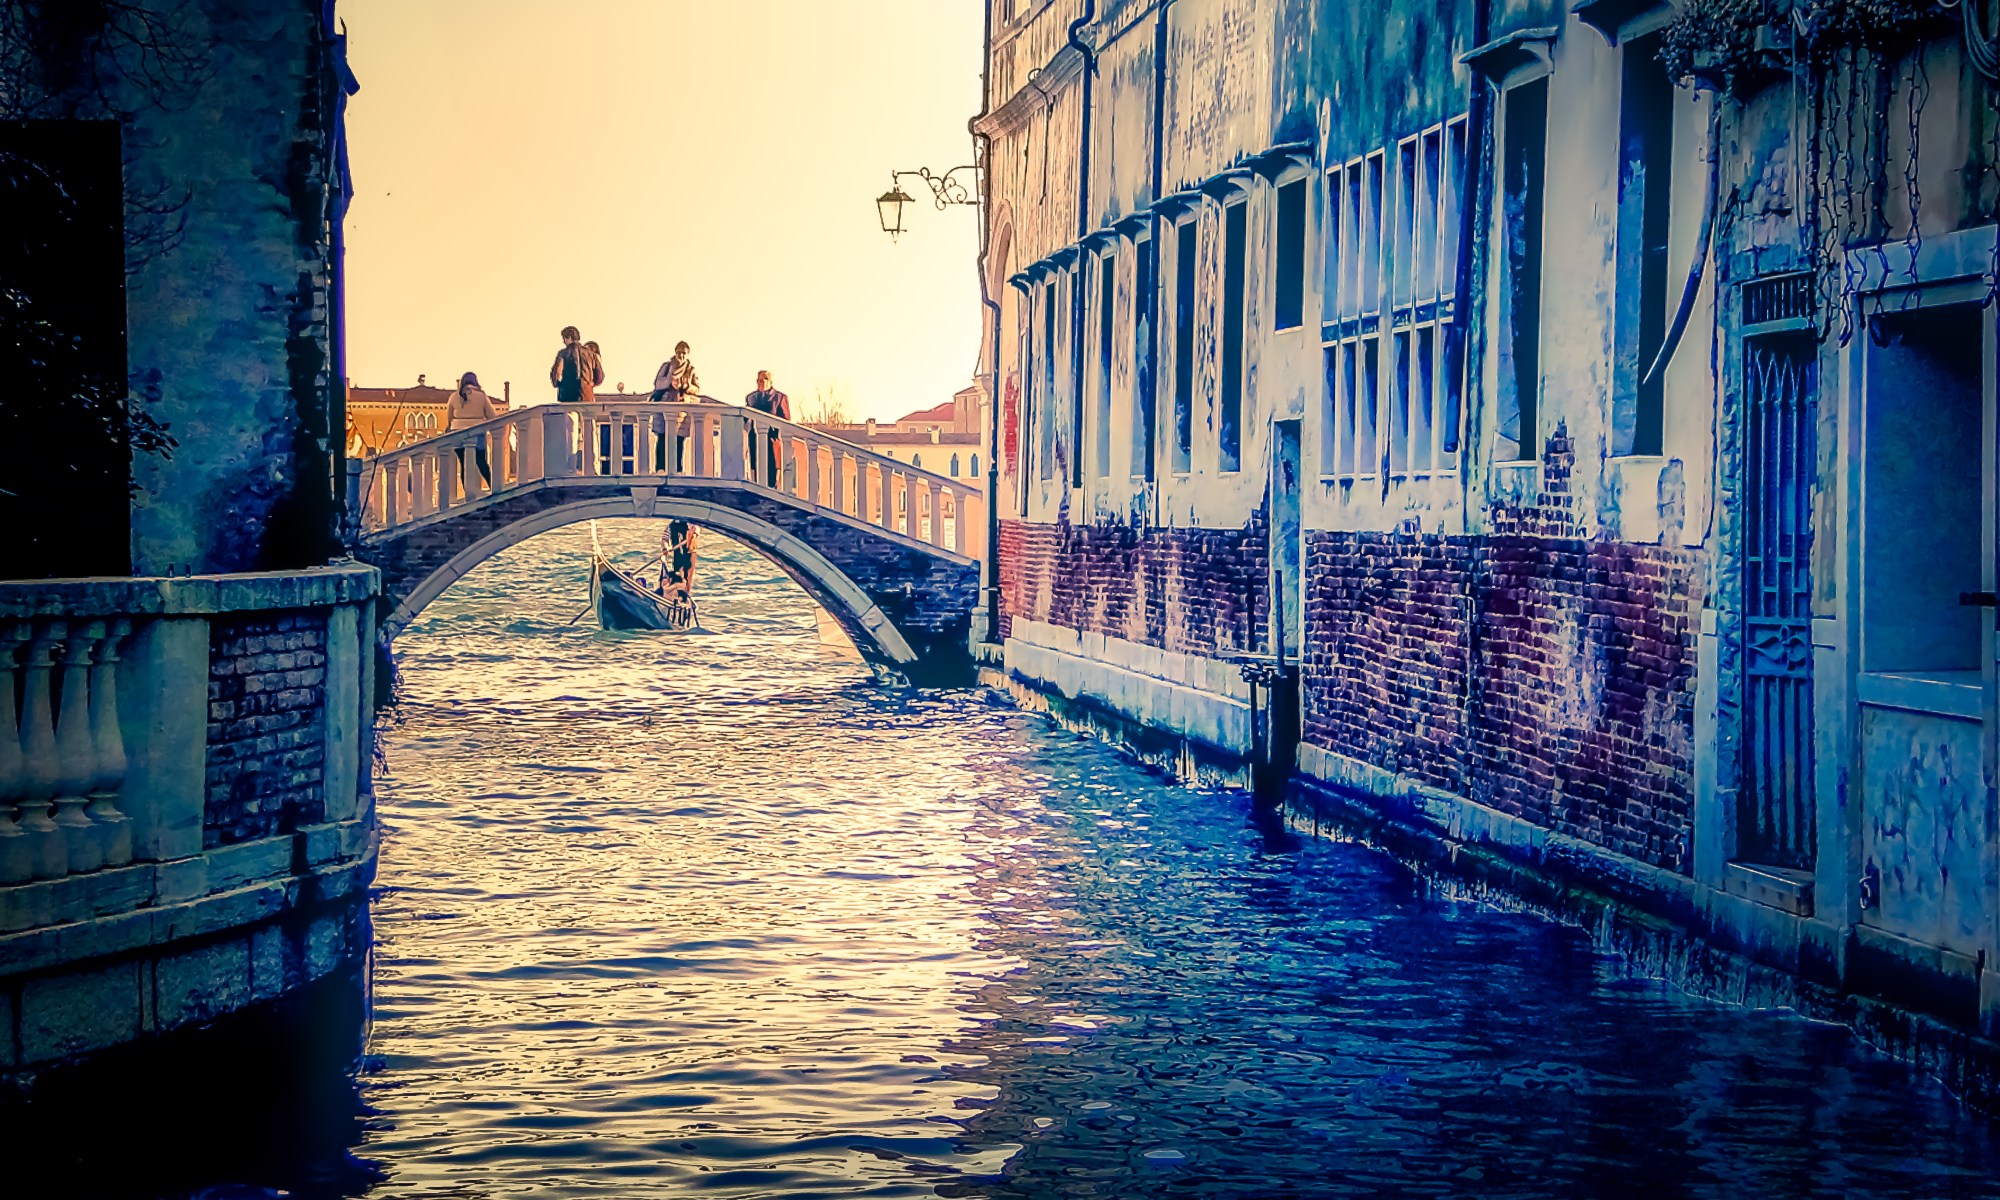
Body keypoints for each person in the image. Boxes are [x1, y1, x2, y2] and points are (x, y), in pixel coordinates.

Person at [651, 342, 699, 470]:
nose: (681, 355)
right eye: (679, 352)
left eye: (684, 352)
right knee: (662, 439)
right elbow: (657, 382)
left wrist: (686, 386)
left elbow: (697, 388)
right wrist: (669, 382)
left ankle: (677, 469)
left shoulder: (690, 369)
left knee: (678, 441)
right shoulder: (667, 366)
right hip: (664, 406)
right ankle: (660, 468)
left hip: (681, 410)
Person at [447, 371, 499, 488]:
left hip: (457, 432)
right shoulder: (481, 396)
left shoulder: (454, 396)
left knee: (464, 464)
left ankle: (467, 493)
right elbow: (492, 416)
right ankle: (492, 486)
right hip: (477, 431)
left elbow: (449, 417)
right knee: (481, 462)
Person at [744, 369, 790, 487]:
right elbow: (745, 420)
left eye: (765, 379)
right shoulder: (751, 398)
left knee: (771, 469)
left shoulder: (779, 397)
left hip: (772, 438)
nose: (762, 382)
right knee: (756, 465)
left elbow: (786, 421)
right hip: (754, 437)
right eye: (760, 380)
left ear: (771, 381)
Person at [549, 326, 603, 403]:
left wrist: (558, 384)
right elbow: (599, 375)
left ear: (569, 338)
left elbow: (557, 373)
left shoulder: (563, 354)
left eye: (564, 338)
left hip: (567, 395)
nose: (563, 341)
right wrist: (589, 385)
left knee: (569, 415)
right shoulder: (591, 354)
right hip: (586, 395)